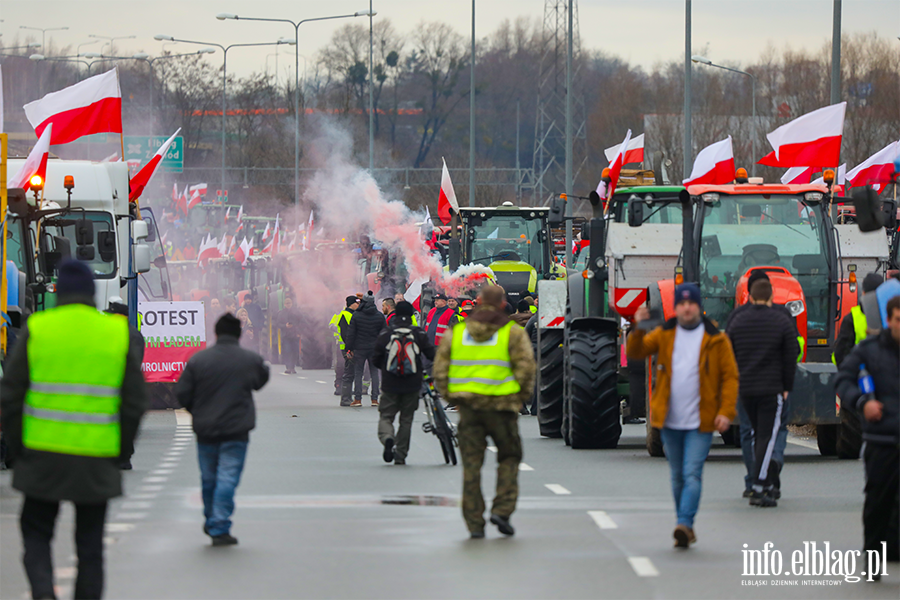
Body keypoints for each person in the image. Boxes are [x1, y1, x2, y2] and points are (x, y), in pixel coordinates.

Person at [0, 260, 148, 600]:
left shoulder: (39, 327)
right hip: (96, 459)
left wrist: (18, 450)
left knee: (36, 533)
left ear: (59, 292)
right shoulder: (114, 332)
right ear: (93, 294)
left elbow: (10, 394)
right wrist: (119, 450)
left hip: (41, 456)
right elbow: (135, 400)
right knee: (90, 547)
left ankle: (43, 592)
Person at [627, 282, 738, 548]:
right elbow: (636, 352)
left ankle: (685, 523)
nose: (687, 308)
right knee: (677, 475)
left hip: (701, 420)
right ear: (675, 307)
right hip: (670, 419)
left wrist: (725, 412)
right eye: (681, 303)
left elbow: (730, 377)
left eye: (691, 303)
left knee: (692, 473)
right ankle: (683, 524)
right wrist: (637, 327)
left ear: (699, 307)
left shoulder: (716, 339)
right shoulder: (664, 333)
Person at [434, 285, 536, 538]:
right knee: (509, 458)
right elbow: (526, 368)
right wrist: (518, 399)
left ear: (477, 303)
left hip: (469, 409)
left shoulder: (457, 333)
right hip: (503, 408)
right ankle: (502, 509)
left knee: (471, 466)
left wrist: (453, 397)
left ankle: (474, 523)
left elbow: (440, 370)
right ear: (503, 304)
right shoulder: (512, 333)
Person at [175, 313, 270, 547]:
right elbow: (260, 380)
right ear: (239, 334)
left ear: (216, 333)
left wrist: (198, 410)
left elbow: (181, 394)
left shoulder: (199, 360)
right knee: (227, 477)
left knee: (209, 478)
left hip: (206, 430)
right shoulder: (249, 359)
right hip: (237, 430)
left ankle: (212, 520)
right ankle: (219, 523)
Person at [835, 295, 900, 572]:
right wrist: (862, 403)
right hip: (881, 441)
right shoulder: (869, 349)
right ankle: (874, 559)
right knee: (878, 503)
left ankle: (894, 550)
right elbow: (843, 380)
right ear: (889, 320)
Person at [725, 270, 803, 499]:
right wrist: (787, 384)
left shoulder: (737, 317)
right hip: (774, 387)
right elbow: (793, 350)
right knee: (775, 431)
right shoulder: (782, 316)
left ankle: (753, 480)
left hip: (746, 387)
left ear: (748, 292)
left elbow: (728, 354)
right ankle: (772, 467)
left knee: (750, 433)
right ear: (770, 291)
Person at [372, 301, 435, 465]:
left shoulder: (387, 332)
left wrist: (386, 371)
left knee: (386, 416)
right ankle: (400, 456)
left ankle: (387, 438)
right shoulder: (418, 333)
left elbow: (376, 358)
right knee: (406, 420)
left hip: (390, 384)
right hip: (412, 384)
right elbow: (431, 354)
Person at [834, 273, 883, 366]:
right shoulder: (891, 316)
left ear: (863, 293)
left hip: (859, 376)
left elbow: (841, 354)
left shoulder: (852, 318)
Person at [346, 292, 386, 407]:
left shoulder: (357, 316)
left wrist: (349, 348)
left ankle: (357, 399)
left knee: (358, 373)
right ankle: (374, 399)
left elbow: (351, 334)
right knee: (374, 373)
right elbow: (384, 333)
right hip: (375, 349)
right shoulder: (379, 316)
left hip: (359, 349)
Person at [338, 296, 359, 406]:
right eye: (357, 303)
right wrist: (349, 349)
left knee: (351, 373)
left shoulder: (350, 314)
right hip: (348, 349)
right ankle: (345, 398)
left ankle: (347, 398)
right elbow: (346, 334)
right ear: (352, 304)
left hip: (349, 348)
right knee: (349, 373)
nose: (358, 305)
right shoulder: (346, 315)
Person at [277, 296, 300, 374]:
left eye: (289, 303)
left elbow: (301, 322)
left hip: (295, 335)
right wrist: (285, 326)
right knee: (287, 351)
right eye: (286, 303)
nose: (288, 304)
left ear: (292, 303)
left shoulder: (297, 312)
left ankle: (293, 367)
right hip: (285, 336)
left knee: (295, 351)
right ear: (284, 304)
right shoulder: (281, 313)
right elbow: (278, 324)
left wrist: (298, 331)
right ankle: (288, 368)